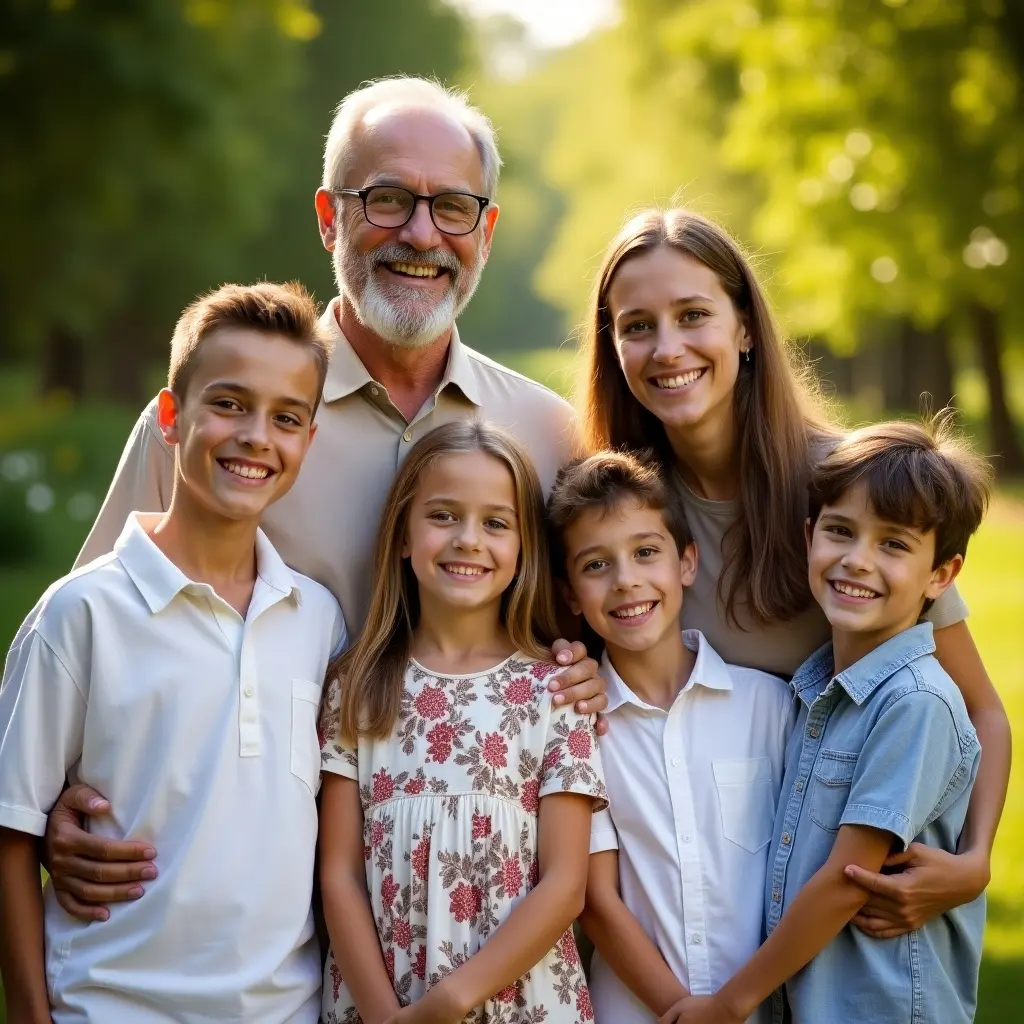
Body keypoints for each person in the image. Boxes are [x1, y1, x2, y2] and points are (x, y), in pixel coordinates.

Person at [39, 76, 607, 917]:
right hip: (228, 905)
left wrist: (588, 673)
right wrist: (56, 816)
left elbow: (595, 640)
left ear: (484, 232)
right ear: (327, 216)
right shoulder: (223, 425)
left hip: (474, 916)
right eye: (386, 199)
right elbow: (86, 644)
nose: (421, 233)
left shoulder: (547, 435)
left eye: (452, 206)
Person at [581, 207, 1009, 939]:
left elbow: (979, 709)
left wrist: (975, 862)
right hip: (694, 904)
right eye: (637, 325)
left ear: (745, 328)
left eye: (693, 315)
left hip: (849, 902)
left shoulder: (850, 494)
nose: (667, 347)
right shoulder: (624, 519)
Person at [0, 283, 345, 1023]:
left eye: (286, 418)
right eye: (228, 404)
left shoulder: (316, 620)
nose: (256, 435)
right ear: (170, 417)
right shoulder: (82, 613)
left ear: (307, 443)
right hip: (112, 1007)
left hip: (285, 1011)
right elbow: (10, 830)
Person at [659, 418, 992, 1024]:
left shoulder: (914, 705)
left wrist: (732, 1002)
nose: (858, 561)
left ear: (941, 577)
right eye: (840, 531)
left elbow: (848, 878)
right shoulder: (816, 689)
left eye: (894, 544)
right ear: (810, 536)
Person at [318, 420, 607, 1024]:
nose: (468, 540)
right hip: (380, 1000)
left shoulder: (553, 690)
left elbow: (564, 885)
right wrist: (385, 1016)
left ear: (525, 546)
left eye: (496, 523)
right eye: (443, 515)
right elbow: (340, 873)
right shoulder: (358, 687)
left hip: (522, 1003)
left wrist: (448, 1004)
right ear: (402, 534)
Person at [546, 451, 794, 1024]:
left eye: (645, 553)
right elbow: (598, 902)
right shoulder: (576, 725)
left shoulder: (769, 707)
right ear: (569, 594)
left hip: (766, 1007)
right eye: (595, 565)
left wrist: (734, 1006)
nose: (626, 579)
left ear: (686, 562)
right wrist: (684, 1012)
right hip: (637, 1011)